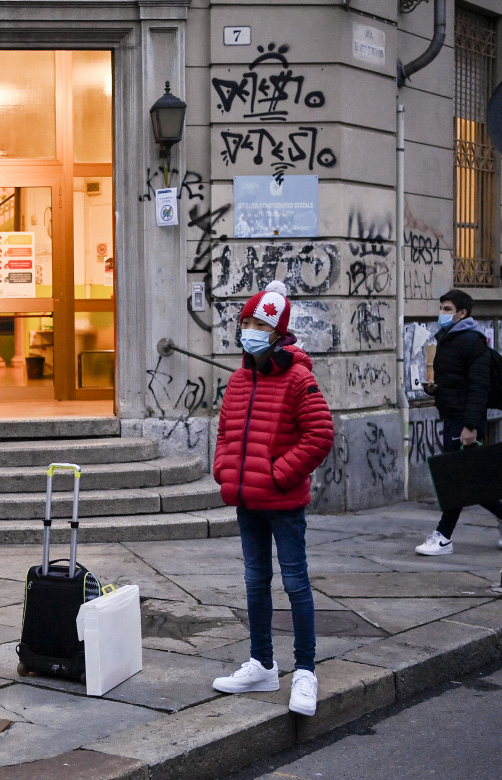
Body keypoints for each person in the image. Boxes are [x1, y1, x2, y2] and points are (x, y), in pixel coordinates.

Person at [211, 280, 335, 718]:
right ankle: (262, 664)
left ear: (279, 332)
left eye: (260, 323)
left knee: (296, 583)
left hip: (282, 503)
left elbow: (320, 435)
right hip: (247, 500)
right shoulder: (240, 379)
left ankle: (305, 671)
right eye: (246, 321)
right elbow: (225, 431)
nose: (250, 329)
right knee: (254, 580)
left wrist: (279, 474)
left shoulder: (300, 377)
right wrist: (224, 469)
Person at [416, 289, 502, 555]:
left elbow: (479, 387)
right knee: (468, 478)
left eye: (447, 309)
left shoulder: (471, 342)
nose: (441, 314)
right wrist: (434, 389)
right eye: (441, 308)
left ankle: (443, 536)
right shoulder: (449, 338)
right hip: (453, 415)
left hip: (464, 420)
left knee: (457, 478)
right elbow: (455, 382)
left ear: (462, 313)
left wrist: (471, 425)